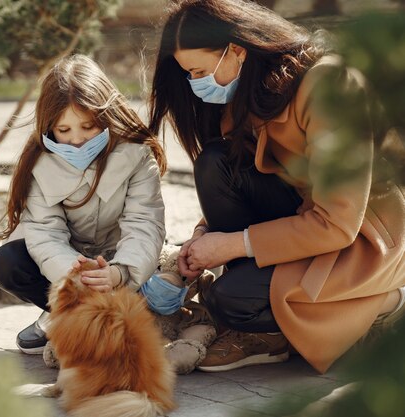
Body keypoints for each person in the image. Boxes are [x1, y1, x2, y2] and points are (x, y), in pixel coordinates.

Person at [148, 0, 405, 373]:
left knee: (229, 299)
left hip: (361, 240)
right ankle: (270, 324)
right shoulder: (245, 98)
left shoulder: (331, 83)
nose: (195, 84)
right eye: (189, 74)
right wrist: (205, 236)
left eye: (199, 71)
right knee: (213, 163)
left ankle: (382, 303)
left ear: (237, 51)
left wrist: (232, 244)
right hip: (301, 225)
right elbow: (241, 182)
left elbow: (337, 223)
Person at [0, 54, 167, 354]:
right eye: (64, 131)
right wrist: (76, 276)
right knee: (8, 263)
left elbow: (145, 223)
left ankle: (116, 309)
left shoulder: (136, 154)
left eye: (88, 127)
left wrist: (120, 272)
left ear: (106, 118)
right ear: (49, 129)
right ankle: (64, 311)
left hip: (122, 262)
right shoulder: (40, 163)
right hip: (72, 269)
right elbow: (46, 234)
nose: (78, 141)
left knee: (160, 287)